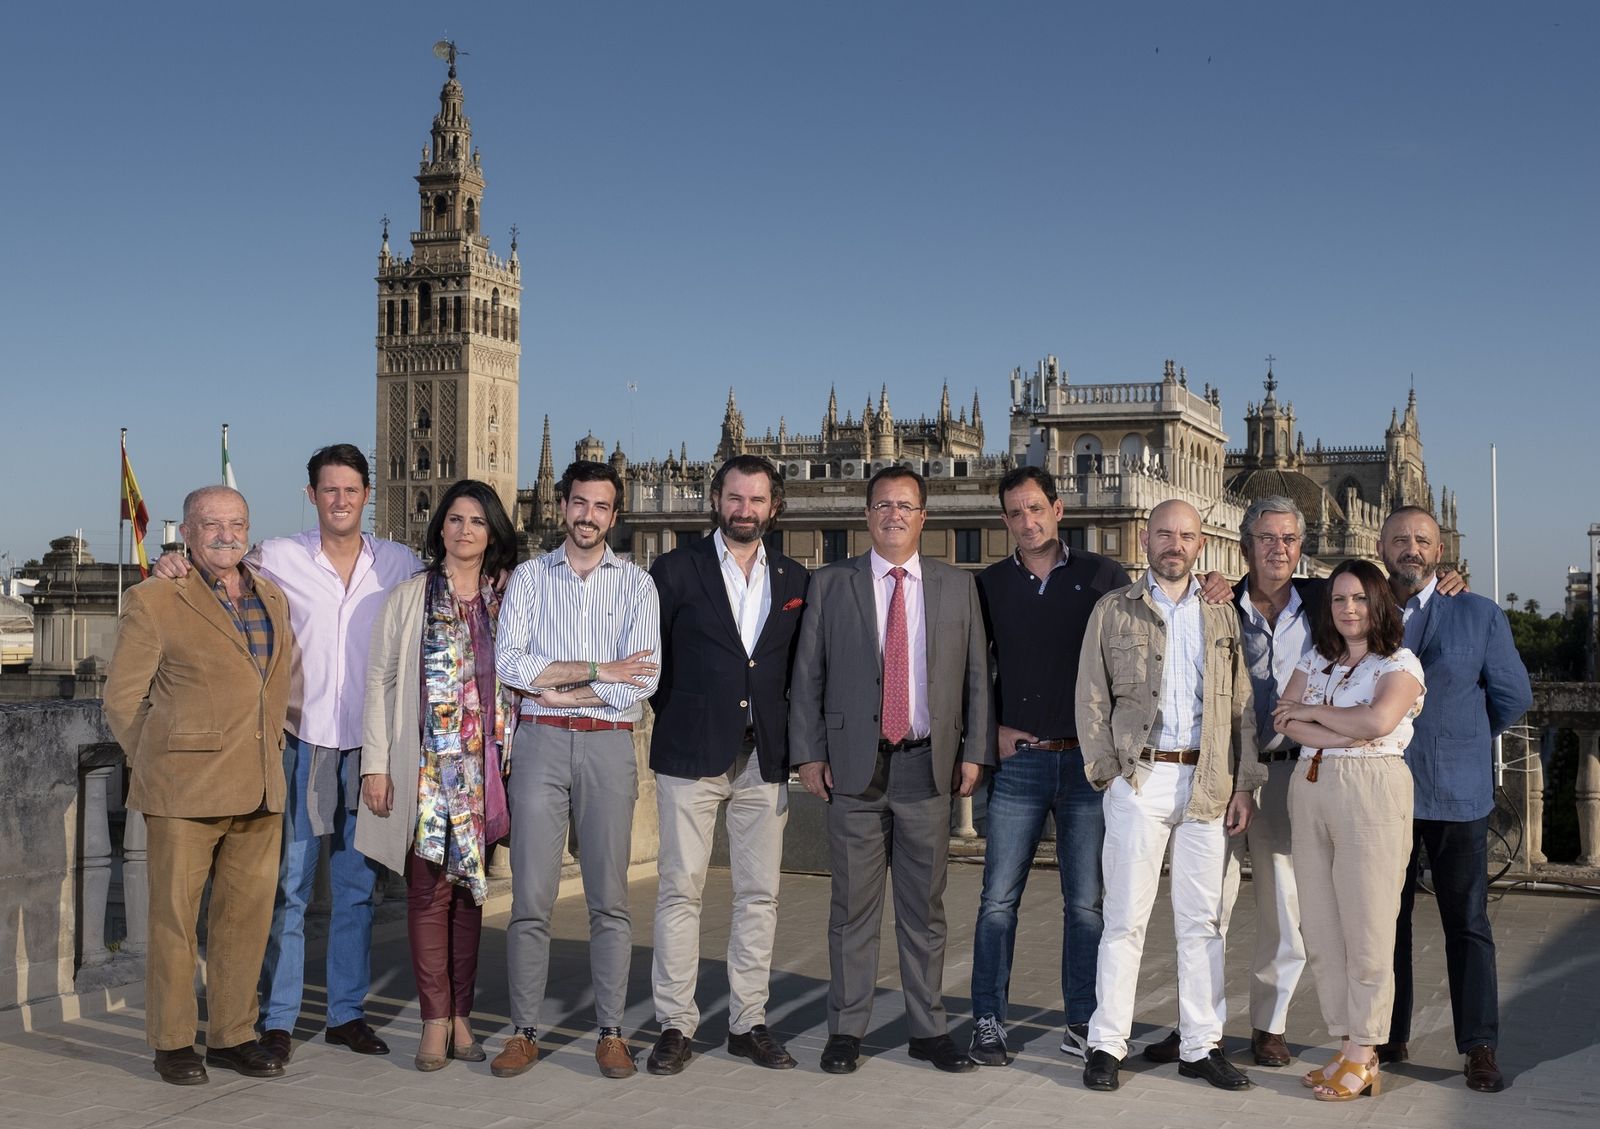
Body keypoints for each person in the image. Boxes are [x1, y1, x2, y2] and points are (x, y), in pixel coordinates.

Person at [154, 445, 421, 1063]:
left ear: (367, 495)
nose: (341, 500)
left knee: (357, 890)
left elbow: (459, 585)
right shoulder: (276, 558)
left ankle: (346, 1013)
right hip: (299, 743)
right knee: (289, 888)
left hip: (370, 750)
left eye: (352, 490)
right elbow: (212, 570)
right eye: (330, 490)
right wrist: (172, 562)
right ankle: (277, 1017)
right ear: (312, 496)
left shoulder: (400, 563)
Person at [789, 465, 992, 1076]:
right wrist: (809, 753)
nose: (894, 515)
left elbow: (978, 677)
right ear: (867, 514)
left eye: (906, 505)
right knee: (851, 907)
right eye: (883, 505)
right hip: (854, 768)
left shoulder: (957, 587)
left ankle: (928, 1030)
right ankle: (846, 1030)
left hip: (926, 768)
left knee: (924, 908)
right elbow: (807, 678)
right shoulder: (832, 583)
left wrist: (976, 750)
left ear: (923, 517)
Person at [105, 486, 293, 1085]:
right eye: (210, 524)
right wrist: (161, 763)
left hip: (261, 786)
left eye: (236, 523)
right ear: (185, 531)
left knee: (244, 920)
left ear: (248, 528)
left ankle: (234, 1033)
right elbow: (121, 700)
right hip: (184, 791)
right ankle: (173, 1042)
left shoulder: (271, 597)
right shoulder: (156, 599)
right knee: (174, 922)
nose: (224, 534)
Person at [1077, 499, 1261, 1094]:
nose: (1174, 544)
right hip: (1141, 779)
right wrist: (1107, 771)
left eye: (1185, 535)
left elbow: (1241, 706)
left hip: (1207, 781)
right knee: (1124, 919)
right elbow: (1091, 696)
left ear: (1200, 545)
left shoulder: (1221, 615)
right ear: (1146, 539)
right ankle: (1107, 1044)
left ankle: (1200, 1045)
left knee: (1201, 923)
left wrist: (1244, 782)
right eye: (1164, 534)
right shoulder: (1113, 610)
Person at [492, 460, 661, 1080]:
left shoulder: (638, 585)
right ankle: (523, 1032)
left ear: (614, 515)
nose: (588, 516)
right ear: (561, 505)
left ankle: (611, 1032)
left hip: (609, 747)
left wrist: (560, 683)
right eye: (579, 504)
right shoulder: (531, 579)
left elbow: (641, 682)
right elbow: (512, 663)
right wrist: (598, 672)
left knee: (610, 900)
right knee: (531, 898)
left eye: (601, 507)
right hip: (539, 744)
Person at [645, 456, 810, 1075]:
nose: (745, 510)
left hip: (762, 758)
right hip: (690, 754)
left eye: (757, 500)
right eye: (735, 499)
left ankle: (748, 1022)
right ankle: (675, 1024)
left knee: (759, 895)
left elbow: (795, 670)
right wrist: (691, 712)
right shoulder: (674, 570)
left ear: (774, 506)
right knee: (680, 890)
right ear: (717, 500)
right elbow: (651, 663)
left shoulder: (795, 576)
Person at [966, 466, 1129, 1066]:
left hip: (1087, 769)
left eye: (1036, 508)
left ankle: (1083, 1022)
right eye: (1014, 513)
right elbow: (967, 672)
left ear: (1058, 509)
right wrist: (989, 732)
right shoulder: (986, 586)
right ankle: (987, 1020)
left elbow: (1140, 644)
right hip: (1020, 766)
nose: (1027, 521)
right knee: (996, 900)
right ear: (1004, 519)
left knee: (1085, 902)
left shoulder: (1103, 576)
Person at [356, 480, 517, 1070]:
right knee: (428, 894)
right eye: (455, 519)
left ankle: (462, 1017)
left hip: (485, 773)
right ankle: (432, 1020)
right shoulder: (409, 597)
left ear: (492, 531)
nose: (465, 530)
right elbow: (380, 682)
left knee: (472, 896)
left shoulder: (510, 597)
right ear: (440, 528)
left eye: (477, 521)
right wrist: (376, 765)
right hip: (425, 768)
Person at [1379, 506, 1531, 1093]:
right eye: (1399, 540)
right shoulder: (1361, 609)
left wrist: (1463, 737)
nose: (1410, 549)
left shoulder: (1477, 614)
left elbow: (1512, 696)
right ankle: (1388, 1033)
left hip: (1457, 798)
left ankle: (1479, 1047)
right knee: (1385, 923)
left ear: (1438, 552)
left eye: (1421, 540)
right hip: (1383, 795)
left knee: (1466, 925)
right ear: (1381, 546)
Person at [1271, 557, 1426, 1100]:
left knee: (1368, 928)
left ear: (1379, 603)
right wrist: (1335, 725)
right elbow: (1282, 717)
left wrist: (1315, 719)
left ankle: (1366, 1051)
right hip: (1311, 790)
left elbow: (1378, 723)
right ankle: (1345, 1043)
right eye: (1338, 599)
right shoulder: (1318, 658)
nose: (1348, 608)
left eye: (1359, 598)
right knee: (1321, 926)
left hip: (1371, 790)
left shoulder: (1399, 663)